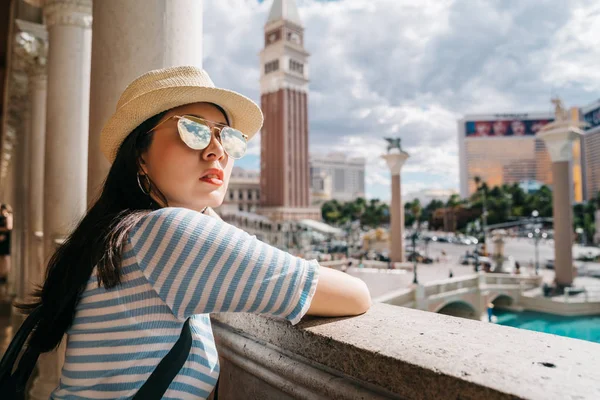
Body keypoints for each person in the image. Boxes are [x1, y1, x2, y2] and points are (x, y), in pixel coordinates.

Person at [16, 66, 371, 399]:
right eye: (194, 130)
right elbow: (356, 295)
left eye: (229, 138)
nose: (216, 149)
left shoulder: (119, 233)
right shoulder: (168, 232)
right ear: (140, 153)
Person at [0, 204, 13, 298]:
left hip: (5, 239)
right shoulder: (3, 216)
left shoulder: (8, 216)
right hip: (2, 239)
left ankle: (4, 276)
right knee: (2, 258)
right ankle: (2, 275)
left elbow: (9, 227)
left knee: (5, 258)